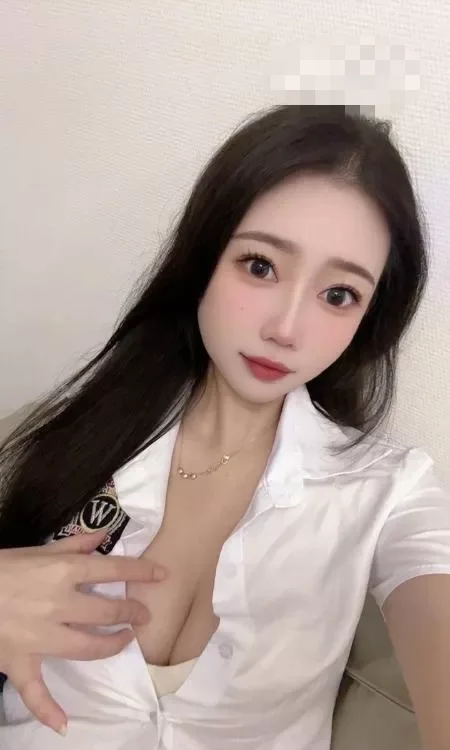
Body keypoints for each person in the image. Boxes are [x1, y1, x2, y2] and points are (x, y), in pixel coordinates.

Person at [0, 103, 449, 750]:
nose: (286, 329)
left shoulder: (389, 492)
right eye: (260, 266)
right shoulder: (73, 431)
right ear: (204, 258)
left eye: (338, 294)